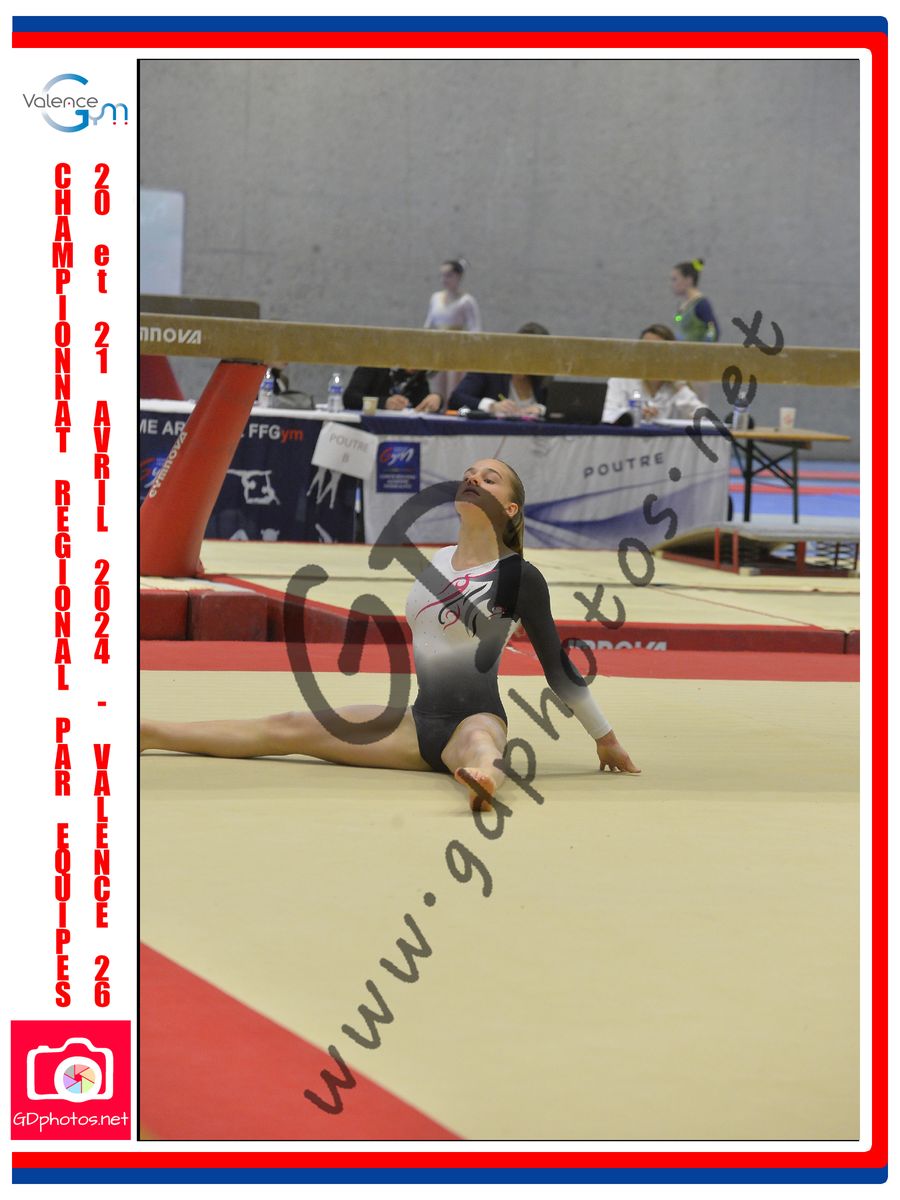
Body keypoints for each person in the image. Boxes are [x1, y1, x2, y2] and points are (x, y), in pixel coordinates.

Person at [140, 458, 639, 811]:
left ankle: (483, 778)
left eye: (489, 479)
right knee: (287, 726)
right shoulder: (437, 560)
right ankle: (151, 732)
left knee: (480, 744)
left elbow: (556, 666)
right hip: (415, 724)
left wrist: (606, 739)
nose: (472, 479)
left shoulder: (518, 576)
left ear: (510, 510)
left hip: (476, 717)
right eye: (469, 474)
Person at [602, 324, 703, 423]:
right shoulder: (621, 380)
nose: (649, 355)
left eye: (657, 350)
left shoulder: (675, 387)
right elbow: (607, 415)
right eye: (644, 349)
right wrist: (634, 415)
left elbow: (703, 419)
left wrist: (680, 387)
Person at [449, 322, 550, 418]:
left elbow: (556, 410)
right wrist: (491, 406)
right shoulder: (490, 368)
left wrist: (542, 410)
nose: (526, 358)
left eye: (533, 355)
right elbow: (455, 403)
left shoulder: (543, 377)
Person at [424, 258, 482, 402]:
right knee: (436, 389)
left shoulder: (466, 301)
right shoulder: (435, 298)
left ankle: (452, 411)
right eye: (442, 275)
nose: (444, 279)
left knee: (453, 388)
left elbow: (475, 329)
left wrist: (471, 351)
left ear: (459, 276)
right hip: (438, 348)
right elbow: (428, 324)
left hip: (457, 348)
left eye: (449, 275)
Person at [342, 365, 442, 412]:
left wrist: (437, 399)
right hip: (368, 429)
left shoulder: (419, 377)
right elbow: (350, 398)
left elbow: (421, 407)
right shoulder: (374, 365)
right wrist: (384, 403)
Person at [671, 258, 720, 343]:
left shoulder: (701, 304)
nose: (672, 284)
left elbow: (714, 331)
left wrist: (704, 348)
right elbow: (678, 321)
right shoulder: (683, 305)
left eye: (675, 279)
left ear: (688, 280)